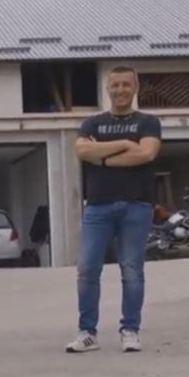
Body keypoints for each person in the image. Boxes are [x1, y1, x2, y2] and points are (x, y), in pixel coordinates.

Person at [67, 65, 161, 353]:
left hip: (137, 204)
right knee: (87, 269)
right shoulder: (92, 123)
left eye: (125, 85)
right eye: (115, 85)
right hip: (98, 206)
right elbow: (82, 151)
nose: (120, 90)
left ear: (136, 88)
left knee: (132, 270)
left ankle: (130, 330)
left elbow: (146, 153)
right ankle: (87, 333)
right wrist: (122, 144)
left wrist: (103, 156)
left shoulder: (148, 122)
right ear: (107, 89)